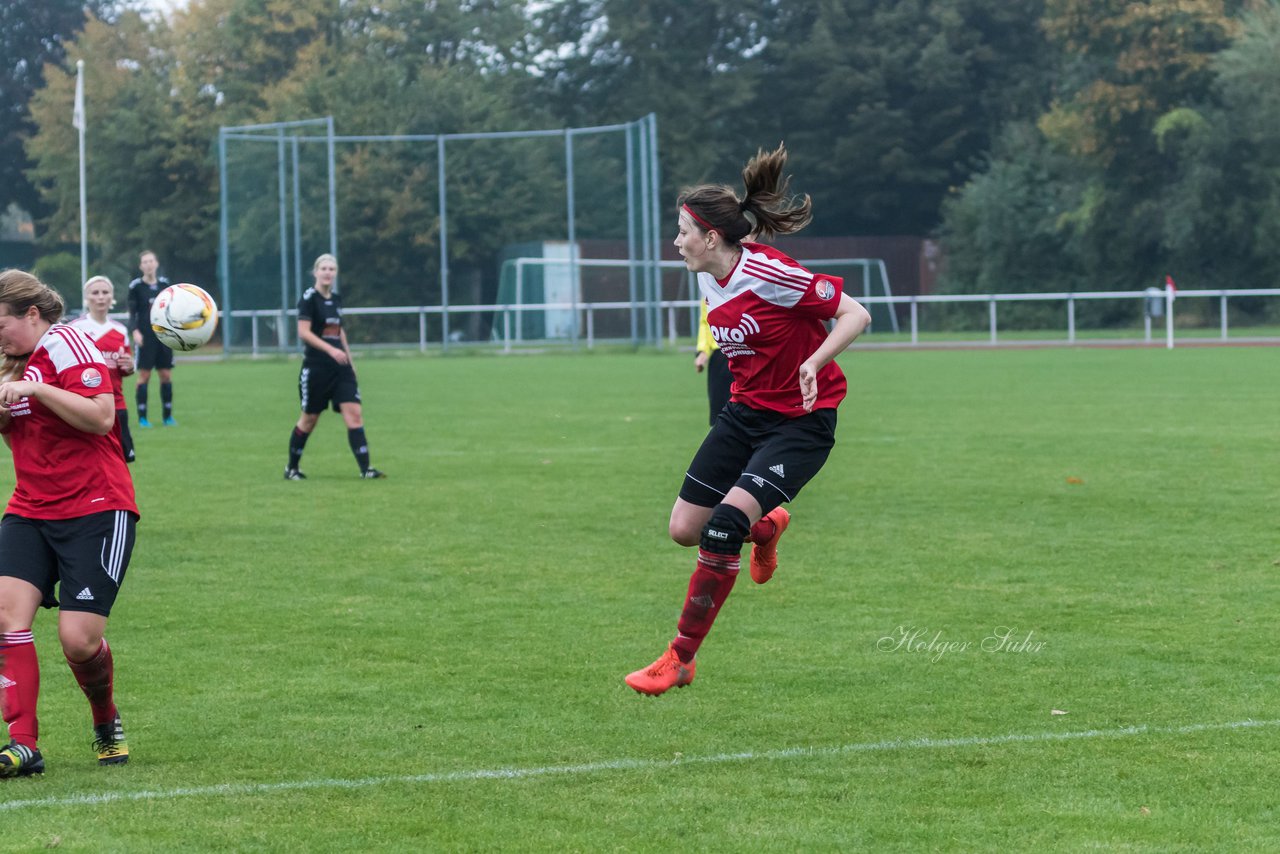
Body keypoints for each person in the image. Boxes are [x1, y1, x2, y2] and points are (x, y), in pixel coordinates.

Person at [625, 144, 872, 696]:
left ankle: (680, 658)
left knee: (720, 527)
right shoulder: (707, 275)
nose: (676, 242)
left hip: (802, 424)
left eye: (683, 231)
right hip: (744, 416)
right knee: (683, 530)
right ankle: (768, 526)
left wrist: (814, 360)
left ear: (711, 236)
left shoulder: (771, 273)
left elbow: (857, 313)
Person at [0, 269, 137, 777]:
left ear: (31, 314)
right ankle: (23, 744)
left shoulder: (67, 342)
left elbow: (102, 417)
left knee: (78, 640)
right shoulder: (13, 362)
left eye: (0, 326)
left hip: (96, 507)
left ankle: (105, 718)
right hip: (30, 508)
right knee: (5, 616)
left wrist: (34, 392)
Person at [284, 254, 385, 480]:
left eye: (332, 269)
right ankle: (292, 468)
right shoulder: (309, 299)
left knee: (355, 414)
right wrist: (330, 350)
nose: (328, 272)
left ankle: (366, 469)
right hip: (317, 368)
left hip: (341, 369)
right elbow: (303, 332)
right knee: (309, 419)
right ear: (316, 272)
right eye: (324, 269)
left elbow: (339, 332)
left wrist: (349, 360)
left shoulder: (336, 300)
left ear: (336, 273)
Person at [70, 276, 136, 463]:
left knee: (121, 461)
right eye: (95, 293)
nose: (100, 297)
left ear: (112, 297)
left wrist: (130, 366)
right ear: (86, 298)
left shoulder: (120, 330)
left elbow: (126, 366)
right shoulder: (76, 329)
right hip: (87, 405)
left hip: (117, 404)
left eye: (105, 292)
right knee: (91, 461)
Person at [126, 249, 175, 427]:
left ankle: (168, 416)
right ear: (141, 266)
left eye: (151, 261)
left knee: (166, 375)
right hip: (145, 337)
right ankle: (142, 417)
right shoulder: (136, 287)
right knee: (144, 376)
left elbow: (172, 310)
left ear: (156, 263)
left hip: (164, 336)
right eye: (144, 262)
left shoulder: (165, 286)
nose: (148, 264)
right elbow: (132, 314)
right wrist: (135, 332)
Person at [695, 297, 733, 426]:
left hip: (748, 354)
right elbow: (705, 323)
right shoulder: (708, 291)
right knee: (719, 410)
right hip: (720, 356)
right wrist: (703, 351)